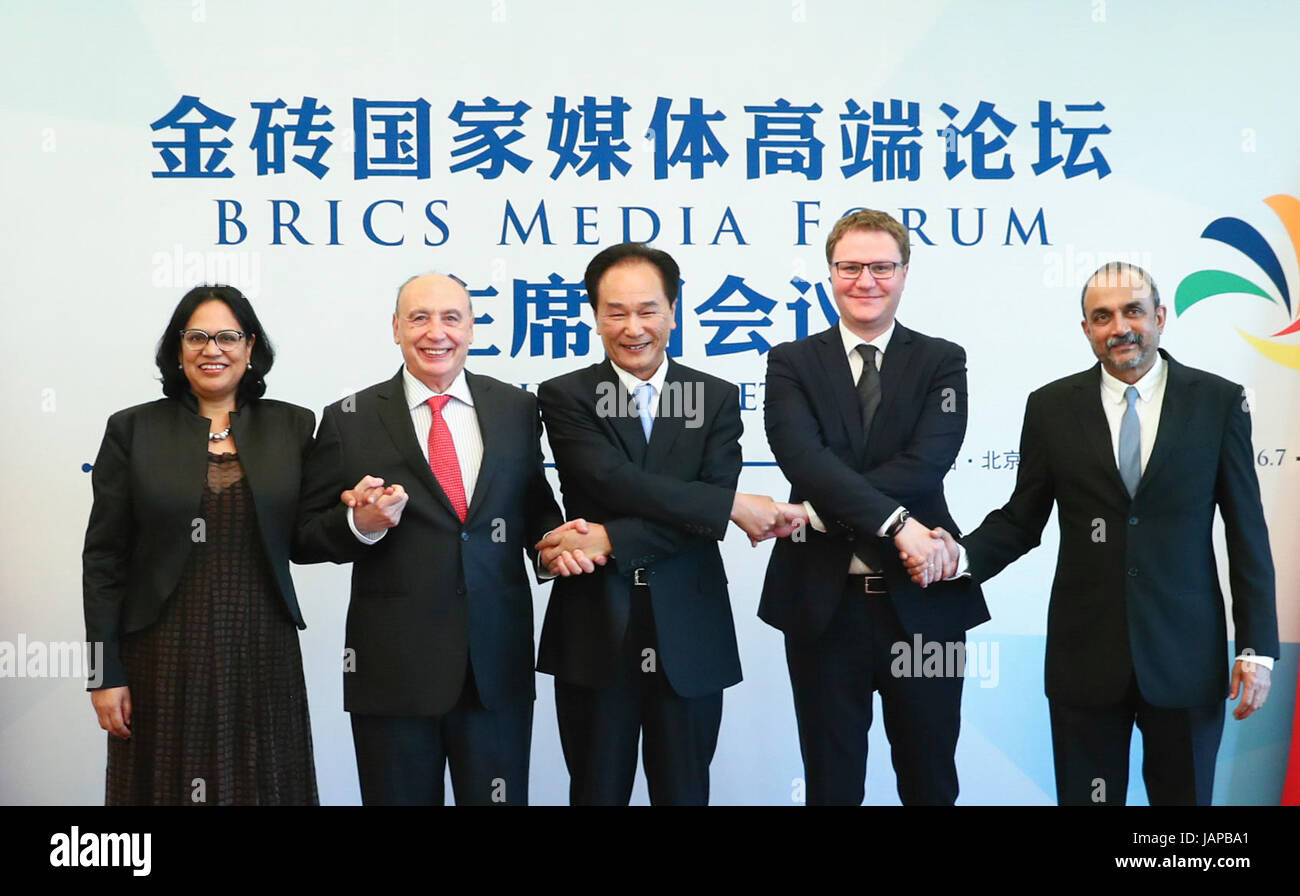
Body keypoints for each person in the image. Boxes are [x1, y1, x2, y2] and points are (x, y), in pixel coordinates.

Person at [905, 262, 1278, 805]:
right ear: (1086, 329)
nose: (1119, 327)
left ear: (1160, 317)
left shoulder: (1217, 401)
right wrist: (957, 556)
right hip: (1085, 657)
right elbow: (1021, 519)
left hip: (1185, 657)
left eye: (1132, 311)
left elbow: (1246, 529)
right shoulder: (1052, 406)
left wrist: (1256, 648)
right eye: (1101, 317)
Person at [294, 273, 578, 806]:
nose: (436, 332)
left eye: (451, 318)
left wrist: (555, 546)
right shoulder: (348, 419)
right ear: (396, 329)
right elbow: (305, 537)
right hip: (394, 672)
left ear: (471, 328)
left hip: (495, 667)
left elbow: (533, 507)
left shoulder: (517, 410)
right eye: (419, 318)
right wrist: (362, 525)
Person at [535, 242, 802, 805]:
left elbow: (698, 523)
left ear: (674, 311)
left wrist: (610, 536)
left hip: (690, 629)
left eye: (648, 309)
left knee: (684, 793)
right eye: (616, 311)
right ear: (595, 315)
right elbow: (610, 481)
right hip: (594, 630)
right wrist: (725, 503)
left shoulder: (715, 397)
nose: (633, 327)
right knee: (595, 792)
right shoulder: (566, 396)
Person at [759, 209, 989, 806]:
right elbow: (801, 462)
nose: (866, 280)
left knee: (930, 778)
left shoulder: (942, 359)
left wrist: (820, 509)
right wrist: (896, 523)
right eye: (850, 267)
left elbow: (927, 463)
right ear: (830, 275)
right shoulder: (791, 362)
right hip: (822, 609)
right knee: (832, 784)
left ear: (905, 273)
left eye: (881, 266)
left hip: (924, 603)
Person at [83, 284, 318, 805]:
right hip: (159, 653)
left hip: (261, 649)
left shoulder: (294, 426)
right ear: (178, 348)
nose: (213, 349)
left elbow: (307, 537)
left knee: (262, 784)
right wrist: (104, 673)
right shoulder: (132, 429)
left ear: (251, 347)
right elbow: (103, 559)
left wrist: (362, 520)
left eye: (228, 337)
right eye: (197, 337)